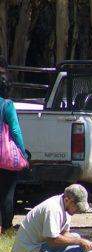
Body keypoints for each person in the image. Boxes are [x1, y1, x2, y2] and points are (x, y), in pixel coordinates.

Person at [12, 184, 92, 252]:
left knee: (77, 239)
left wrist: (86, 242)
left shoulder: (66, 208)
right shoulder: (53, 209)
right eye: (77, 207)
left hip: (35, 249)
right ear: (67, 200)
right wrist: (80, 242)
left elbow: (64, 233)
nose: (78, 211)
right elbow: (53, 240)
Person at [0, 56, 28, 235]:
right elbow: (16, 131)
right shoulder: (7, 105)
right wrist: (23, 152)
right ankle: (6, 227)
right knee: (7, 193)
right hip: (4, 157)